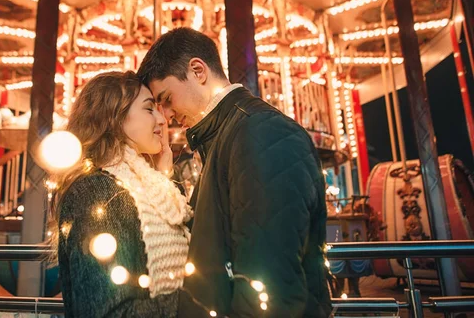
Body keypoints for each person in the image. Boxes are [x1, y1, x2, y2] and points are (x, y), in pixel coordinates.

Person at [138, 28, 331, 317]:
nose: (166, 115)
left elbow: (268, 283)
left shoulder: (261, 132)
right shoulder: (227, 136)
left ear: (197, 71)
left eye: (166, 99)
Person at [51, 71, 192, 318]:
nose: (162, 120)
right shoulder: (97, 192)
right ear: (115, 118)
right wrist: (201, 300)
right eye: (150, 109)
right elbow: (107, 312)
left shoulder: (149, 188)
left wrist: (163, 175)